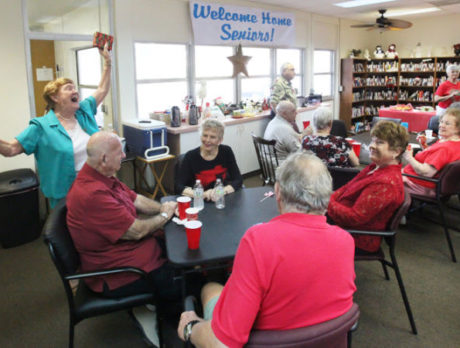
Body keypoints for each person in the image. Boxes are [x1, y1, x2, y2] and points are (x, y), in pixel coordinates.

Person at [177, 152, 356, 348]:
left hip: (262, 340)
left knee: (210, 287)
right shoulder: (345, 241)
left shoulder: (258, 241)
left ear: (277, 192)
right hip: (323, 341)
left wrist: (191, 327)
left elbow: (222, 344)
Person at [66, 131, 181, 347]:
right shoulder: (92, 194)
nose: (123, 156)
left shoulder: (103, 176)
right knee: (177, 279)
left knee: (170, 244)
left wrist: (166, 209)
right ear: (104, 158)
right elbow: (136, 230)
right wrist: (165, 215)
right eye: (119, 153)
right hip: (113, 273)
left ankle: (155, 302)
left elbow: (136, 199)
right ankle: (166, 327)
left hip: (124, 251)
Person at [0, 45, 112, 208]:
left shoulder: (84, 110)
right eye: (69, 89)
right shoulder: (41, 127)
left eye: (75, 88)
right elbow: (10, 149)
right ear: (55, 97)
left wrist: (107, 62)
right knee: (71, 231)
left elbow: (102, 89)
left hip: (97, 184)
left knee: (100, 226)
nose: (75, 91)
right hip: (66, 194)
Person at [328, 121, 408, 253]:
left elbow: (354, 217)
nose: (371, 146)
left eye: (379, 142)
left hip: (357, 236)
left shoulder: (385, 183)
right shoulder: (376, 167)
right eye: (373, 141)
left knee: (301, 226)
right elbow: (347, 187)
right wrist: (328, 199)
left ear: (396, 151)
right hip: (341, 221)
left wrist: (325, 202)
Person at [175, 119, 242, 201]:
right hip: (198, 202)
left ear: (220, 140)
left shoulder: (226, 151)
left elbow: (238, 179)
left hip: (221, 199)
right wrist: (202, 194)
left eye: (212, 137)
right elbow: (178, 186)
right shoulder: (191, 156)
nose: (207, 140)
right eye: (205, 135)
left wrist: (220, 192)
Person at [403, 108, 460, 197]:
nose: (441, 125)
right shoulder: (454, 143)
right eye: (441, 122)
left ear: (458, 128)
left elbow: (426, 173)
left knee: (382, 176)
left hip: (418, 183)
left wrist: (409, 157)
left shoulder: (444, 148)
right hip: (433, 184)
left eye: (447, 123)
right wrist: (426, 150)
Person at [429, 64, 460, 133]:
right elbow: (436, 99)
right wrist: (450, 96)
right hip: (444, 110)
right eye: (453, 72)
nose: (455, 73)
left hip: (456, 110)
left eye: (457, 72)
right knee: (443, 129)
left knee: (454, 128)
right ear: (448, 73)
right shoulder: (444, 85)